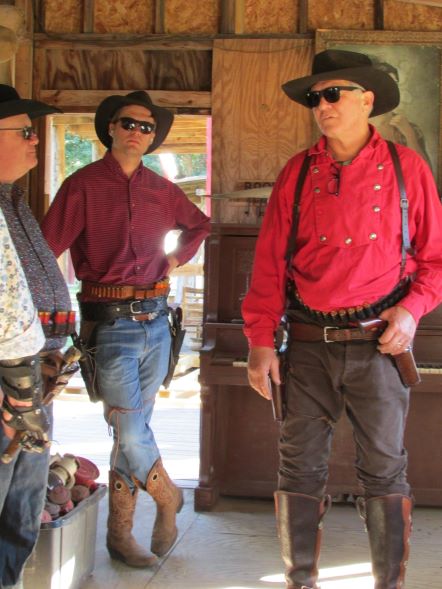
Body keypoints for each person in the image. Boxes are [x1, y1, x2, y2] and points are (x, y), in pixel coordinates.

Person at [242, 50, 442, 589]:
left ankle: (388, 584)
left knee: (385, 468)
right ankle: (299, 581)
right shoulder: (297, 172)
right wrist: (261, 340)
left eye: (333, 94)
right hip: (307, 345)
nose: (322, 106)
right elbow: (270, 264)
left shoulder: (407, 168)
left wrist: (411, 311)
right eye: (316, 98)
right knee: (298, 467)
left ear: (366, 100)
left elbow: (435, 260)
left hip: (380, 345)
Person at [41, 91, 211, 568]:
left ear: (153, 138)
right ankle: (169, 495)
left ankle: (120, 536)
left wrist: (175, 259)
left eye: (146, 127)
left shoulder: (162, 190)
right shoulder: (82, 186)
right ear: (111, 129)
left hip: (158, 320)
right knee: (131, 429)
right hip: (110, 323)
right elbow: (46, 248)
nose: (137, 132)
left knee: (131, 432)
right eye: (128, 123)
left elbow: (199, 225)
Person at [0, 84, 71, 589]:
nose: (35, 140)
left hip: (29, 382)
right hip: (8, 389)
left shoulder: (14, 200)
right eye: (24, 132)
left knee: (20, 507)